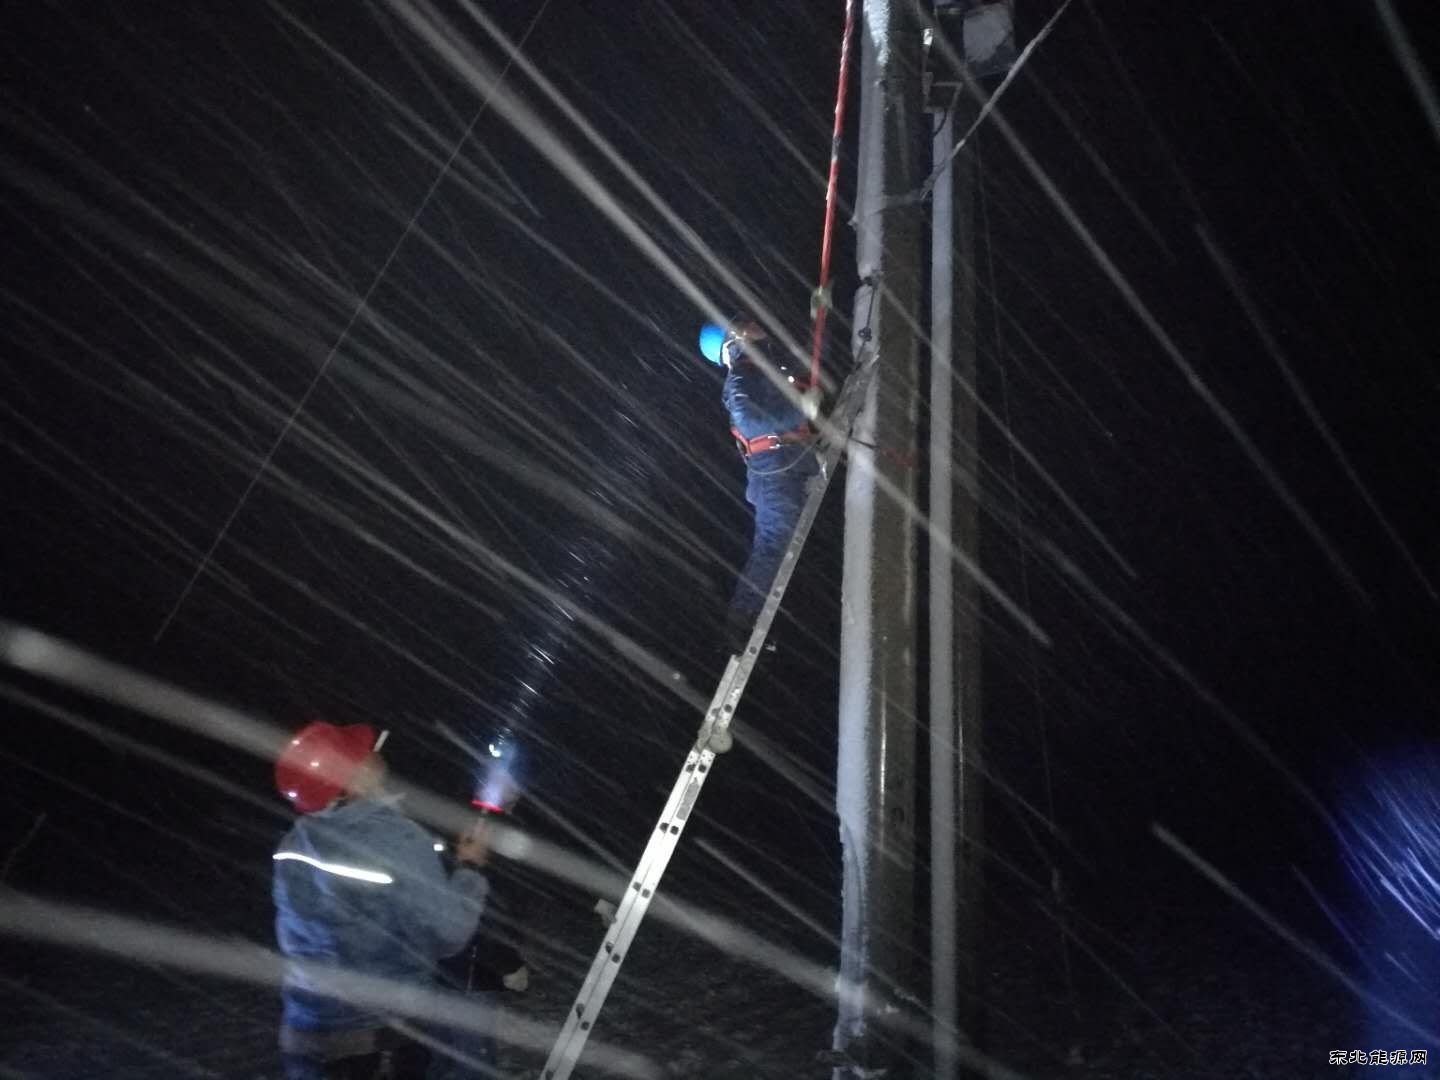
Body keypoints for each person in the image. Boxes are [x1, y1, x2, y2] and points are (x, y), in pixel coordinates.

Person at [273, 720, 492, 1080]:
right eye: (361, 753)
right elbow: (449, 932)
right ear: (352, 779)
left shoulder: (295, 841)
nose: (374, 752)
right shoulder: (395, 839)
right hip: (378, 1037)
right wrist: (470, 868)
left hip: (307, 1029)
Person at [699, 315, 821, 653]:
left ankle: (752, 621)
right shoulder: (742, 375)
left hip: (789, 462)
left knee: (784, 547)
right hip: (776, 468)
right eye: (745, 325)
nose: (755, 326)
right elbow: (751, 422)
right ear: (733, 340)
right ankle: (742, 623)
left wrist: (816, 322)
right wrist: (800, 413)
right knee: (775, 545)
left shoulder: (763, 370)